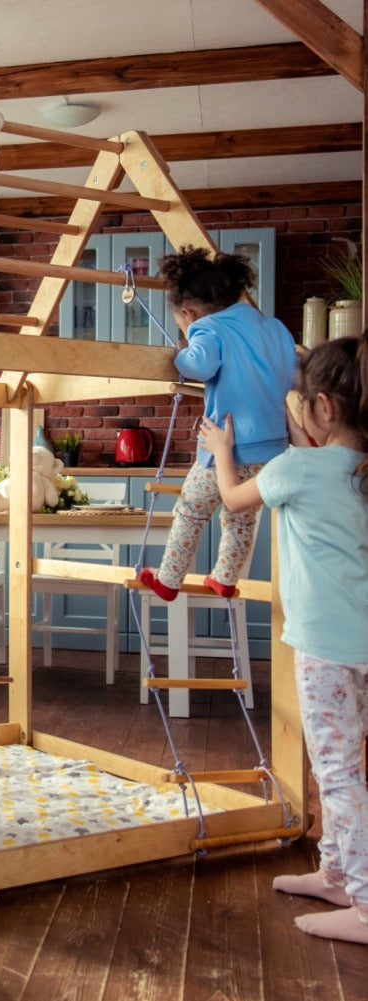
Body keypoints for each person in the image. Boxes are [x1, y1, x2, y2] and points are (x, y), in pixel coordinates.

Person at [197, 331, 368, 945]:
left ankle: (366, 904)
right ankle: (339, 874)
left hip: (326, 649)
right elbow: (310, 465)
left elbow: (232, 499)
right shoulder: (353, 468)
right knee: (347, 767)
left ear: (322, 408)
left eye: (300, 402)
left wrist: (221, 448)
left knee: (340, 774)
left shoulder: (297, 468)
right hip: (360, 643)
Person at [138, 246, 297, 602]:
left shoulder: (207, 327)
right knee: (240, 516)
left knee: (191, 510)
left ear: (188, 312)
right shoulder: (272, 327)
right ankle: (226, 577)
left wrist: (181, 352)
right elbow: (291, 370)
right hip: (272, 447)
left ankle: (168, 579)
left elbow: (200, 366)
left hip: (228, 444)